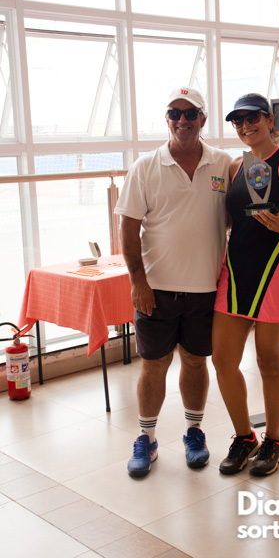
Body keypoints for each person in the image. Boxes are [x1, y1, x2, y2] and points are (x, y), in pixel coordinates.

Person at [114, 86, 232, 477]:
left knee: (196, 362)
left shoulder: (222, 163)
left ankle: (194, 433)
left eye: (190, 113)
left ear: (203, 118)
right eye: (174, 113)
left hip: (205, 288)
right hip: (157, 290)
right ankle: (146, 439)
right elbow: (128, 227)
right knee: (153, 365)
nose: (183, 120)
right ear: (167, 119)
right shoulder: (145, 167)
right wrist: (138, 282)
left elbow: (234, 217)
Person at [212, 93, 279, 477]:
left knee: (269, 362)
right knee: (223, 361)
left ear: (270, 119)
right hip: (235, 272)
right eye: (237, 121)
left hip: (276, 272)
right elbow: (232, 220)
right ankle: (245, 438)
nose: (245, 126)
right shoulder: (234, 166)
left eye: (252, 118)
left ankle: (273, 441)